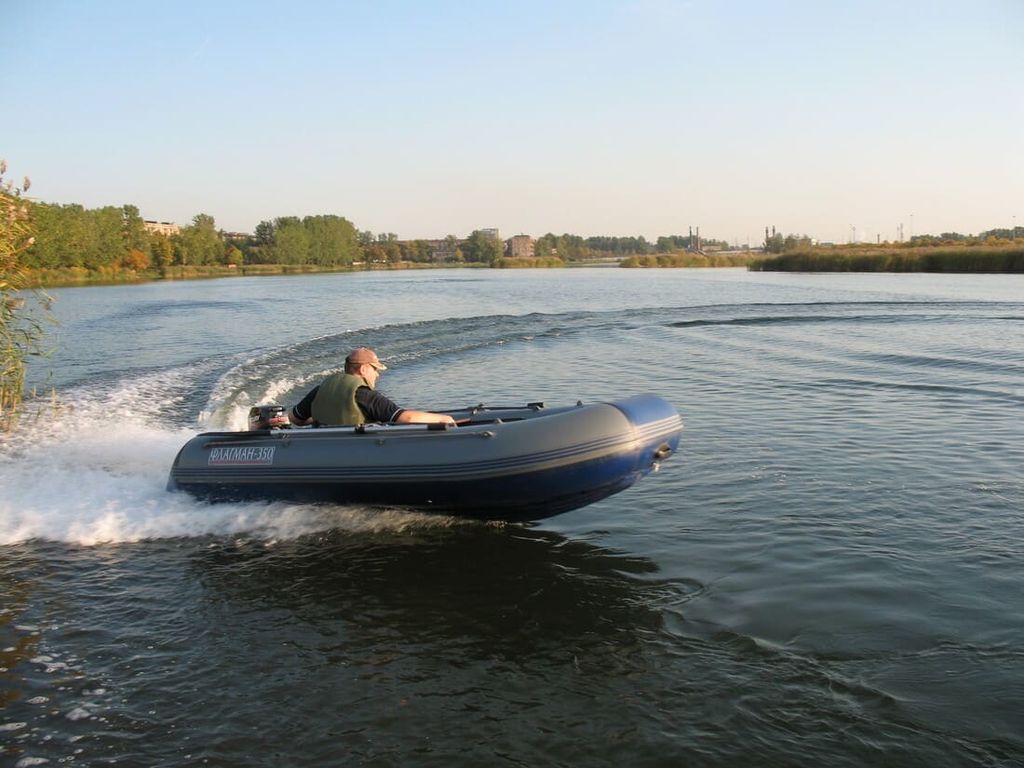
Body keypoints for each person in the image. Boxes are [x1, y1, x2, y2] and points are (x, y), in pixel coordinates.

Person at [288, 347, 456, 427]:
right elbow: (405, 418)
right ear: (363, 369)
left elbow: (295, 418)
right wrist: (444, 419)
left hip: (324, 450)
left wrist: (323, 418)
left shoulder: (320, 389)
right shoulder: (363, 394)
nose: (377, 374)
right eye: (375, 369)